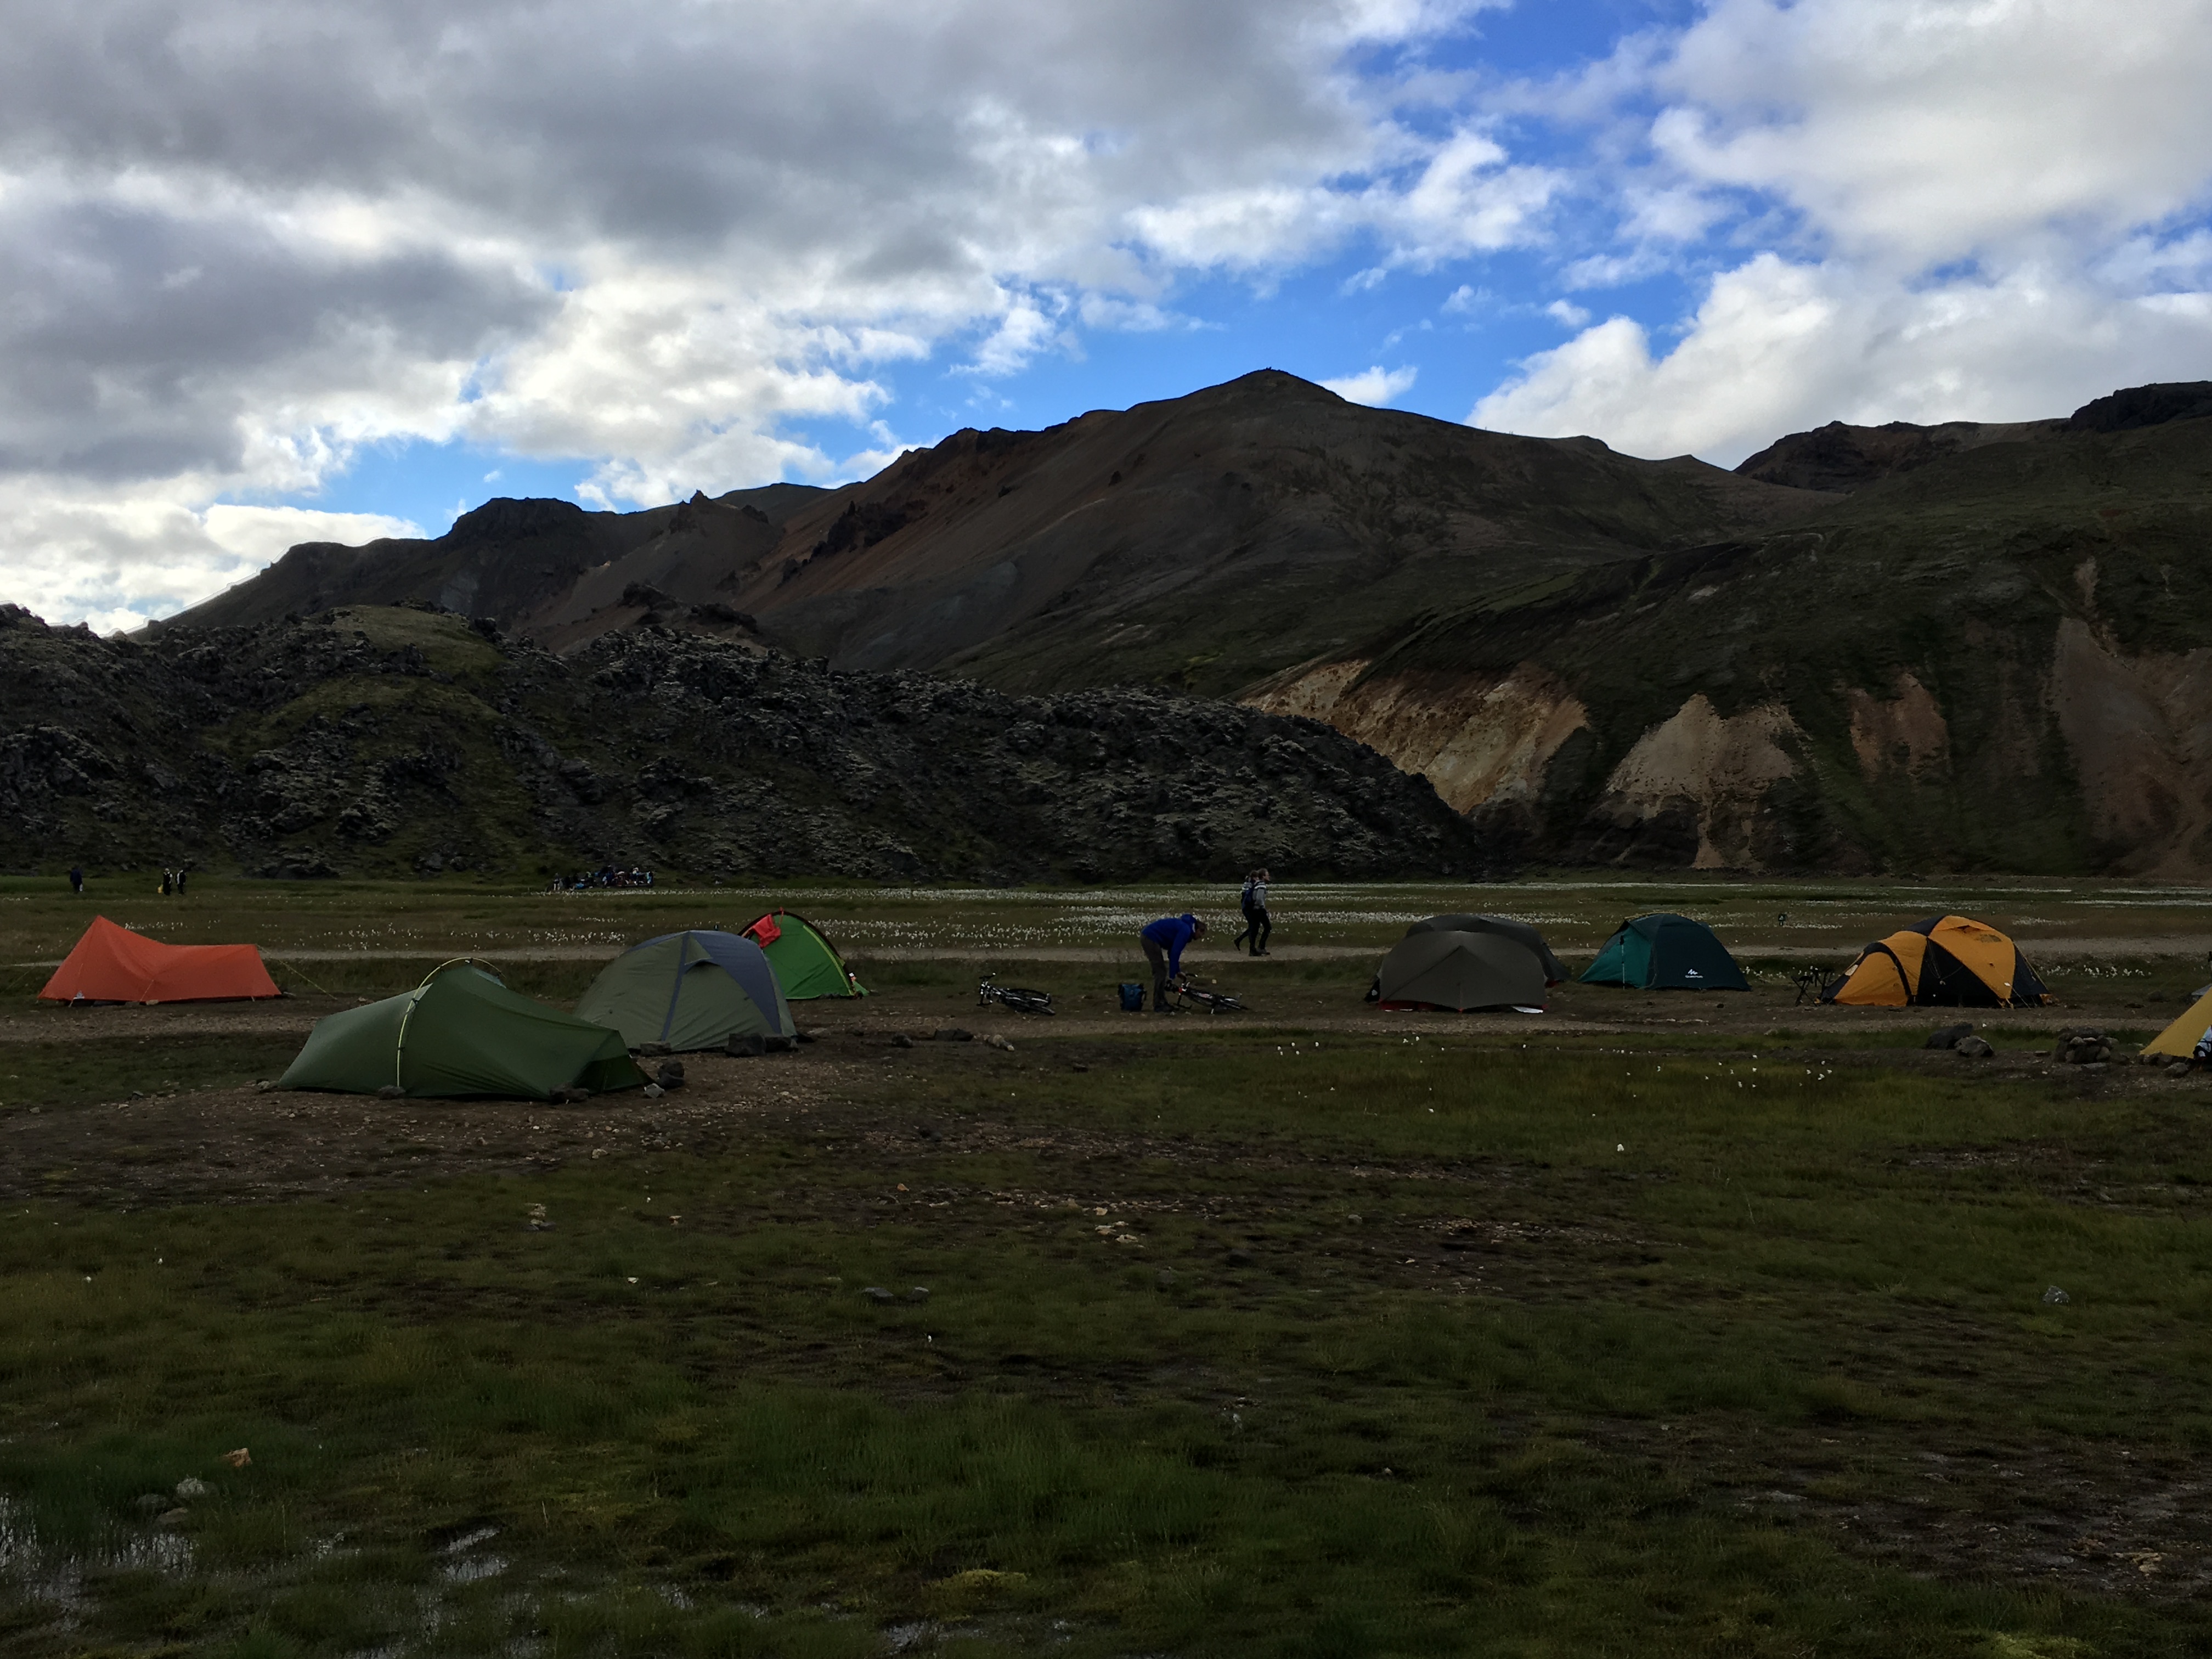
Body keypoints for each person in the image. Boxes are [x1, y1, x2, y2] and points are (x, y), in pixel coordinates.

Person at [1139, 912, 1207, 1012]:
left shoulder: (1185, 929)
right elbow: (1175, 952)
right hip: (1150, 938)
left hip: (1150, 937)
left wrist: (1177, 971)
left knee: (1161, 971)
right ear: (1198, 930)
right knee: (1160, 972)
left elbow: (1172, 952)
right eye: (1202, 933)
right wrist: (1172, 977)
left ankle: (1161, 1001)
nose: (1201, 937)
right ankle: (1159, 1004)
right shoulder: (1186, 931)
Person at [1234, 867, 1272, 956]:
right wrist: (1261, 906)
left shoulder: (1255, 884)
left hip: (1253, 909)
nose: (1269, 876)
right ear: (1263, 876)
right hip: (1259, 909)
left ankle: (1253, 949)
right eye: (1267, 875)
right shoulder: (1261, 885)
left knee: (1255, 928)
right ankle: (1259, 948)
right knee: (1267, 927)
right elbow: (1258, 899)